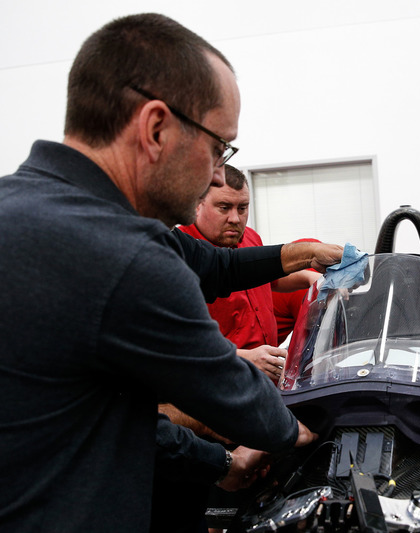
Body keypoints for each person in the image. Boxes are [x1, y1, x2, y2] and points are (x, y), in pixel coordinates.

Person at [0, 13, 343, 532]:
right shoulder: (120, 254)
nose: (215, 171)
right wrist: (317, 427)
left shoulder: (28, 206)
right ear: (156, 128)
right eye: (217, 148)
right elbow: (240, 401)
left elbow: (217, 267)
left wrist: (303, 252)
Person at [179, 165, 319, 383]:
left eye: (242, 208)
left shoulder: (250, 237)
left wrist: (309, 278)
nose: (235, 218)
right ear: (197, 204)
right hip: (219, 381)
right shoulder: (181, 255)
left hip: (265, 378)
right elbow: (177, 344)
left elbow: (270, 280)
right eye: (224, 208)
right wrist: (244, 358)